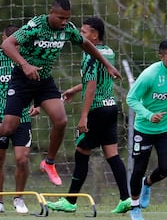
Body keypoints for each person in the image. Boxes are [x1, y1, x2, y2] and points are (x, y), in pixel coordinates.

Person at [0, 0, 122, 186]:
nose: (63, 22)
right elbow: (7, 45)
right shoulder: (35, 26)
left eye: (67, 19)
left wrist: (107, 64)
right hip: (22, 80)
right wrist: (25, 65)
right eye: (60, 17)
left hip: (43, 81)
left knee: (61, 121)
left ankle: (49, 162)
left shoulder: (67, 29)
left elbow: (86, 44)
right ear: (51, 12)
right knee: (9, 127)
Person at [46, 16, 131, 213]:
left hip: (96, 111)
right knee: (113, 155)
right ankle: (126, 198)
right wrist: (75, 90)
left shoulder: (89, 54)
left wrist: (84, 116)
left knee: (81, 153)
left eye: (83, 32)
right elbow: (98, 79)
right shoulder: (108, 51)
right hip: (111, 108)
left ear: (94, 35)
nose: (80, 35)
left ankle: (70, 201)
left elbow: (92, 86)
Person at [126, 38, 167, 220]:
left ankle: (147, 184)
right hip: (144, 129)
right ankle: (134, 207)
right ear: (161, 57)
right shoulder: (149, 75)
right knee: (138, 169)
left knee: (166, 169)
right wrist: (149, 115)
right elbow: (131, 99)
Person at [0, 25, 40, 214]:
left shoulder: (27, 60)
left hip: (21, 117)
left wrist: (37, 103)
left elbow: (40, 81)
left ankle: (19, 199)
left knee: (22, 159)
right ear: (3, 40)